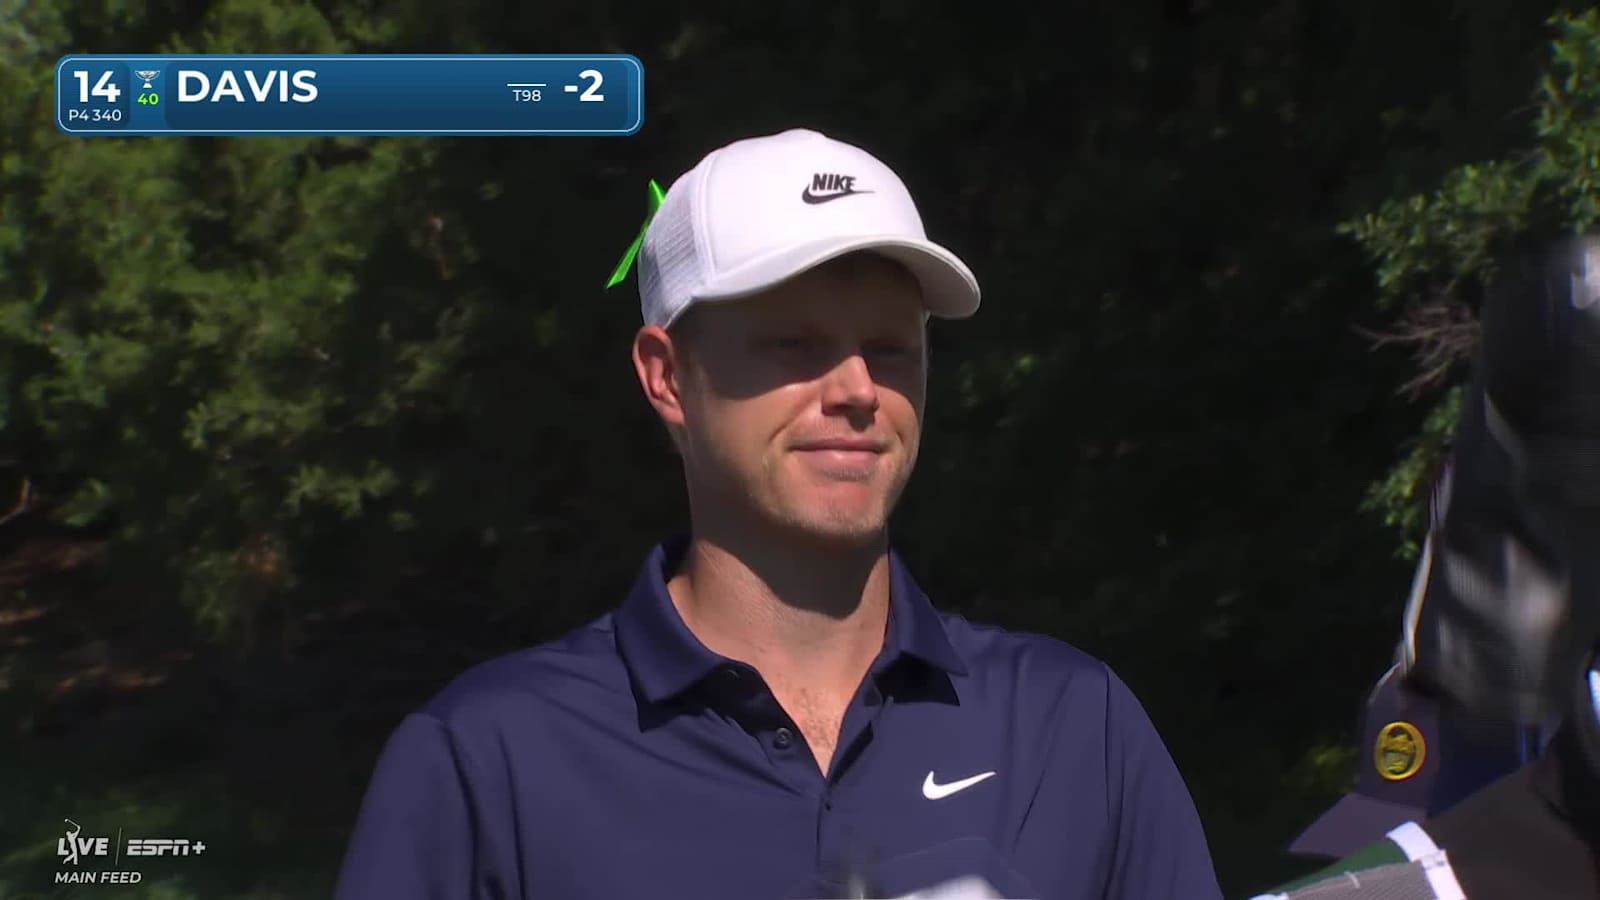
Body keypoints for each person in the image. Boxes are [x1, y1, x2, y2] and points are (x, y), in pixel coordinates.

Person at [332, 128, 1222, 900]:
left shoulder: (1074, 726)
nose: (857, 392)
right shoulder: (490, 757)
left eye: (889, 349)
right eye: (794, 346)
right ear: (667, 376)